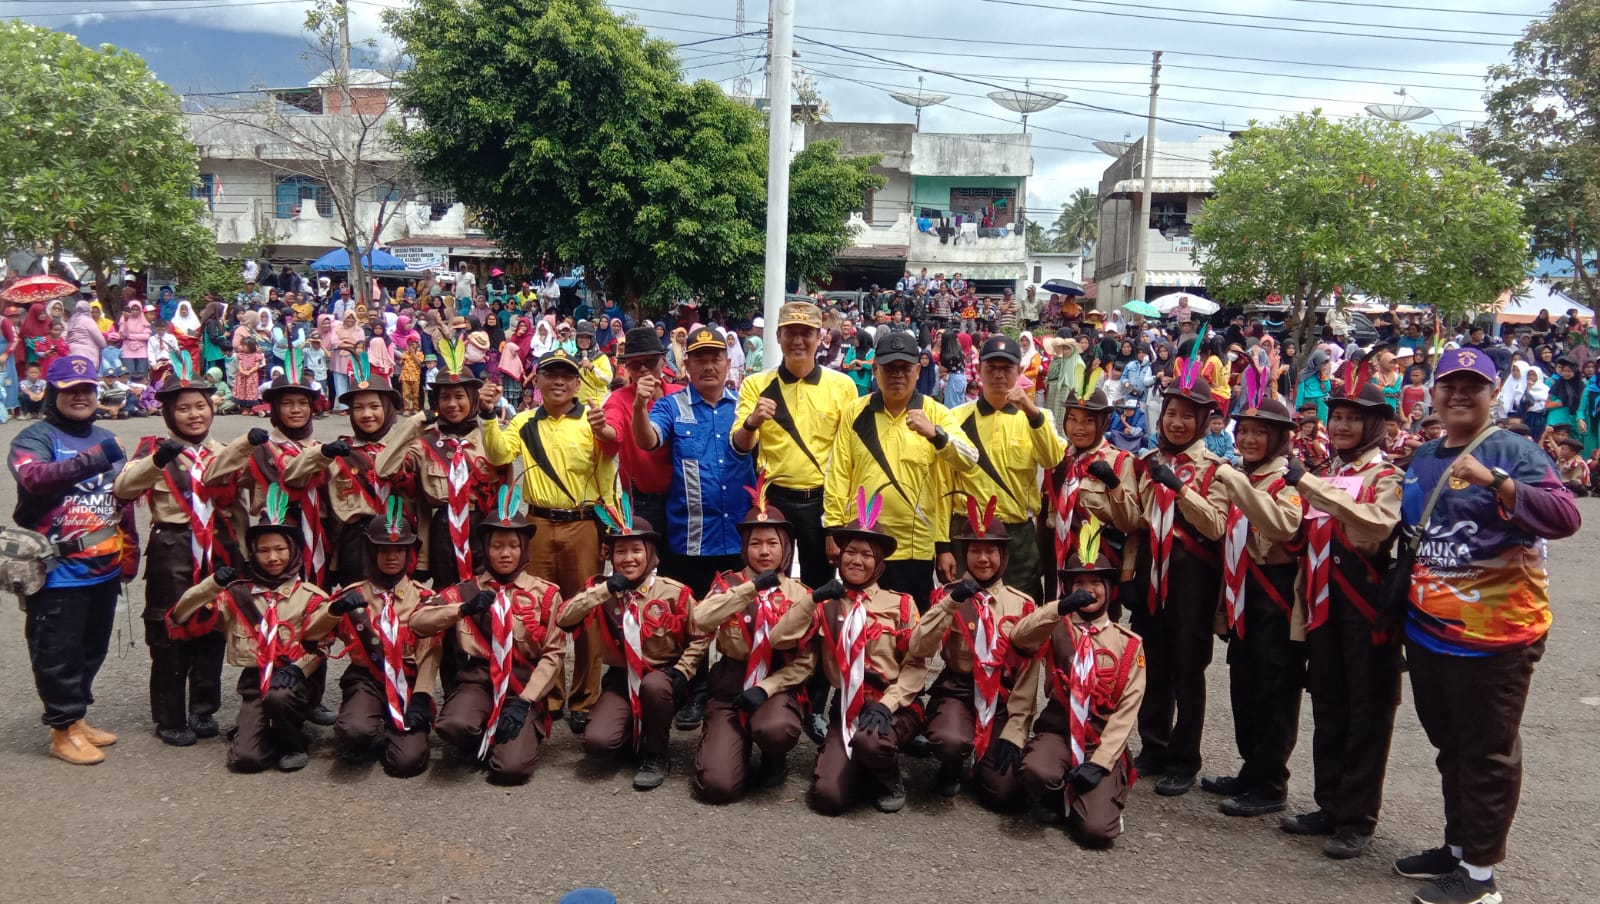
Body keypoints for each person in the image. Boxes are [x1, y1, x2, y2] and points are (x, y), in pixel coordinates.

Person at [1394, 347, 1580, 904]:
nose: (1458, 394)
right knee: (1450, 746)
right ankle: (1457, 848)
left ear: (1493, 393)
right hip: (1429, 632)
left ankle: (1479, 878)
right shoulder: (1425, 454)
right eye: (1449, 384)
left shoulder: (1514, 451)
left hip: (1496, 639)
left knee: (1487, 754)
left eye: (1472, 386)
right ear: (1434, 392)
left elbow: (1565, 516)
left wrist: (1497, 481)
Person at [1280, 381, 1403, 860]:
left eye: (1354, 418)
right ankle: (1330, 805)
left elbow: (1377, 526)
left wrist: (1308, 484)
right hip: (1323, 607)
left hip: (1367, 610)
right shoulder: (1327, 472)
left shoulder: (1387, 476)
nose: (1343, 426)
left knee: (1367, 716)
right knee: (1329, 709)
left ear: (1374, 425)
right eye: (1338, 418)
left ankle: (1357, 818)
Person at [732, 301, 860, 739]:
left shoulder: (842, 387)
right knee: (770, 596)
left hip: (825, 503)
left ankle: (820, 699)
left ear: (821, 337)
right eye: (791, 332)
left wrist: (838, 521)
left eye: (808, 331)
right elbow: (741, 445)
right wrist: (752, 420)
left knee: (827, 601)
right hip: (777, 503)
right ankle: (770, 687)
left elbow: (848, 455)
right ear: (779, 338)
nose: (800, 339)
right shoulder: (757, 384)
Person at [8, 355, 138, 765]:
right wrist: (96, 457)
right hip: (56, 570)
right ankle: (61, 730)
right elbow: (33, 477)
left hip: (104, 566)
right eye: (70, 390)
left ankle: (77, 719)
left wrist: (129, 550)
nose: (80, 397)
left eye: (87, 390)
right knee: (56, 651)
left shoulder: (103, 436)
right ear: (54, 393)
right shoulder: (34, 438)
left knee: (91, 648)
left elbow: (122, 501)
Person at [112, 356, 246, 747]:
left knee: (214, 627)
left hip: (220, 546)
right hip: (173, 546)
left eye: (200, 406)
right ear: (168, 412)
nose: (193, 415)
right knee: (169, 628)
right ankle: (169, 716)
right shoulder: (154, 450)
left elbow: (244, 504)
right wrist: (158, 461)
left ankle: (203, 709)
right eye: (183, 408)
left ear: (212, 408)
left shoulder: (225, 451)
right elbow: (123, 490)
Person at [481, 347, 616, 732]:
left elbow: (608, 474)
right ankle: (548, 693)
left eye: (566, 376)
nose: (558, 381)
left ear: (577, 383)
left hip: (583, 523)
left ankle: (585, 698)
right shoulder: (523, 421)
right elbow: (498, 454)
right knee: (541, 613)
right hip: (537, 524)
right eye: (550, 374)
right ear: (536, 381)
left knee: (587, 611)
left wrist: (609, 529)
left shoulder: (591, 421)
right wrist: (489, 416)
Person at [770, 495, 927, 814]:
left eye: (867, 554)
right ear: (839, 558)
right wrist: (811, 600)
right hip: (847, 708)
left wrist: (887, 705)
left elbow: (914, 668)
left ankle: (888, 777)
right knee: (829, 798)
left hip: (893, 704)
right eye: (850, 552)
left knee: (872, 741)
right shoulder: (826, 606)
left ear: (880, 562)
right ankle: (858, 762)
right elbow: (780, 639)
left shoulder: (901, 604)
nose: (857, 560)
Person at [167, 486, 330, 772]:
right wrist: (211, 585)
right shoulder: (237, 595)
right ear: (253, 554)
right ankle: (261, 731)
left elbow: (323, 644)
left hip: (296, 680)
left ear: (292, 551)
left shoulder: (311, 595)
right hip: (256, 683)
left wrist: (298, 670)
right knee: (246, 760)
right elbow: (181, 615)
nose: (273, 557)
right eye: (264, 551)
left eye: (280, 549)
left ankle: (294, 741)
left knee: (280, 699)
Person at [412, 490, 567, 783]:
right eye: (497, 546)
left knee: (510, 771)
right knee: (453, 725)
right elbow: (419, 622)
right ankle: (482, 733)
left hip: (521, 687)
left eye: (512, 546)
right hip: (478, 682)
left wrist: (527, 701)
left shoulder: (546, 593)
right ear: (485, 548)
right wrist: (462, 609)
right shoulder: (466, 590)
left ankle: (516, 734)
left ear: (524, 549)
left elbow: (554, 654)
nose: (505, 553)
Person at [1008, 526, 1145, 846]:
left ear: (1109, 589)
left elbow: (1127, 711)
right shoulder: (1056, 627)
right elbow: (1019, 637)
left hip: (1100, 737)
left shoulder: (1128, 644)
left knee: (1096, 833)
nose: (1088, 590)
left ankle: (1106, 789)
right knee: (1035, 772)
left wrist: (1100, 762)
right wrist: (1059, 607)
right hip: (1059, 729)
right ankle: (1055, 795)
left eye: (1096, 582)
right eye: (1078, 583)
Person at [1203, 398, 1306, 818]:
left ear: (1279, 438)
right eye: (1243, 430)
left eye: (1260, 432)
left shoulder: (1291, 482)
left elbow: (1282, 526)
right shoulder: (1244, 476)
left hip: (1276, 598)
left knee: (1275, 690)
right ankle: (1252, 768)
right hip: (1243, 593)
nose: (1248, 438)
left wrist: (1236, 484)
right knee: (1244, 686)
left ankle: (1270, 781)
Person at [823, 331, 977, 609]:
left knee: (910, 634)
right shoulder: (855, 413)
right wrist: (833, 530)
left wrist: (936, 435)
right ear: (876, 370)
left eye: (905, 368)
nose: (897, 375)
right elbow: (838, 473)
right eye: (889, 368)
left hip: (915, 546)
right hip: (864, 543)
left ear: (918, 370)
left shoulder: (937, 413)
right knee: (861, 630)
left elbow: (968, 459)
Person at [555, 508, 707, 789]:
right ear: (609, 555)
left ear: (650, 553)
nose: (628, 559)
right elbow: (564, 618)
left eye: (636, 550)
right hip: (620, 678)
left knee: (654, 687)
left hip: (661, 679)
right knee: (597, 743)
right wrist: (604, 590)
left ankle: (656, 754)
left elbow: (701, 635)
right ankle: (630, 734)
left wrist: (683, 671)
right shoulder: (599, 589)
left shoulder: (674, 592)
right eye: (620, 551)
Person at [902, 498, 1040, 808]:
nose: (983, 558)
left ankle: (986, 764)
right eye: (975, 550)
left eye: (991, 550)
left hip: (1001, 696)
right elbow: (919, 647)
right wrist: (950, 603)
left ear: (1003, 555)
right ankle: (950, 767)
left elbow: (1028, 678)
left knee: (1003, 793)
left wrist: (1017, 733)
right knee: (950, 740)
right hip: (958, 689)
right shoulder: (947, 595)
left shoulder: (1023, 605)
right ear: (966, 555)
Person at [1132, 371, 1229, 796]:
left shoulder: (1216, 470)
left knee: (1188, 670)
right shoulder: (1148, 461)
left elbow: (1215, 526)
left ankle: (1184, 757)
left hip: (1193, 576)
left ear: (1205, 420)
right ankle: (1153, 745)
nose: (1176, 423)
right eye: (1171, 413)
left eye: (1187, 416)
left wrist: (1182, 491)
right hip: (1151, 571)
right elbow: (1137, 519)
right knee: (1152, 664)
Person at [688, 491, 816, 802]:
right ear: (745, 547)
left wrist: (767, 687)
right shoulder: (727, 585)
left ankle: (774, 757)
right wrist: (749, 589)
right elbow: (700, 620)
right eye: (755, 543)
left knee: (775, 729)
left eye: (772, 543)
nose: (764, 551)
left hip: (776, 683)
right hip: (730, 682)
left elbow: (807, 661)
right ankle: (730, 743)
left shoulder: (800, 594)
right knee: (718, 787)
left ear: (785, 548)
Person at [302, 505, 438, 777]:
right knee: (354, 730)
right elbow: (312, 636)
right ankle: (369, 724)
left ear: (408, 553)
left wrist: (423, 696)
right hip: (367, 679)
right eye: (383, 550)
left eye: (398, 550)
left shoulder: (424, 598)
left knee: (406, 764)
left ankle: (398, 729)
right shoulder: (353, 596)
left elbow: (433, 653)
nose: (391, 557)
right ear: (371, 552)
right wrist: (334, 611)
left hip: (407, 682)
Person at [948, 335, 1066, 604]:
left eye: (1006, 368)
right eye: (992, 368)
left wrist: (1030, 410)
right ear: (979, 372)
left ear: (1019, 371)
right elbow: (943, 482)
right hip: (967, 531)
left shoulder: (1039, 417)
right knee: (964, 614)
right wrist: (943, 545)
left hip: (1017, 533)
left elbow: (1051, 460)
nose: (999, 375)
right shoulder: (955, 417)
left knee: (1020, 610)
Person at [377, 338, 501, 585]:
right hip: (442, 529)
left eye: (460, 396)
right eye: (445, 397)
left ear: (473, 399)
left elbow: (503, 482)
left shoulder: (488, 437)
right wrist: (415, 422)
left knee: (484, 593)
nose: (452, 404)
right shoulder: (426, 441)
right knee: (446, 594)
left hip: (481, 526)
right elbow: (383, 468)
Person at [285, 367, 405, 589]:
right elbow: (293, 477)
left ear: (388, 409)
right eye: (358, 408)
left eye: (374, 406)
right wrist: (322, 454)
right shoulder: (340, 451)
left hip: (398, 541)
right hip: (356, 545)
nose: (366, 414)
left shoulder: (407, 448)